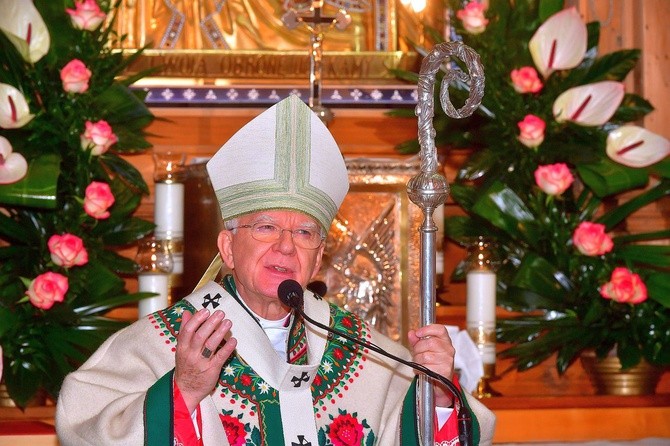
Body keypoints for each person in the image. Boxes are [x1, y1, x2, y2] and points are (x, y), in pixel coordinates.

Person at [56, 95, 496, 445]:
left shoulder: (359, 348)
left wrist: (438, 397)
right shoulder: (159, 342)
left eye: (305, 233)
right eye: (266, 227)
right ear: (228, 246)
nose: (286, 246)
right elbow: (87, 425)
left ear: (318, 257)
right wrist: (183, 391)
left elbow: (432, 428)